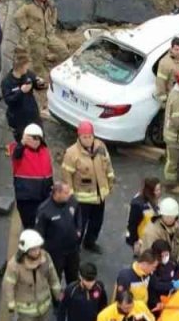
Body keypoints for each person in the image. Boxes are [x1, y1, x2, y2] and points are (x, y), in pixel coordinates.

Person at [3, 229, 61, 321]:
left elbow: (53, 276)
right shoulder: (14, 265)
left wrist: (58, 293)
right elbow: (8, 285)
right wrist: (11, 305)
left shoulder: (45, 258)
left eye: (38, 248)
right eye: (34, 249)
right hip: (27, 310)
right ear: (25, 250)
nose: (38, 251)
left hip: (44, 306)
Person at [59, 121, 114, 252]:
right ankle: (74, 247)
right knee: (79, 225)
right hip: (82, 199)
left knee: (97, 222)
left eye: (90, 136)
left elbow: (108, 166)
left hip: (99, 196)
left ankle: (90, 242)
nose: (88, 140)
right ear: (79, 137)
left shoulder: (100, 147)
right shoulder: (71, 153)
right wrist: (70, 196)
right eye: (85, 137)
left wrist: (110, 182)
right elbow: (67, 176)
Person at [14, 0, 68, 106]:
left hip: (49, 35)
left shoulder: (48, 3)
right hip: (36, 39)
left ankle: (54, 63)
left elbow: (54, 12)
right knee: (38, 63)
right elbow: (17, 16)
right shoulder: (28, 6)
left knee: (63, 50)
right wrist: (26, 28)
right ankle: (41, 83)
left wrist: (53, 23)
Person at [35, 181, 82, 289]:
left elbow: (78, 214)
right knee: (55, 278)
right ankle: (56, 300)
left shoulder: (72, 201)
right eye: (66, 192)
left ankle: (72, 296)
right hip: (56, 254)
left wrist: (79, 230)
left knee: (73, 277)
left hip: (73, 250)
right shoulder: (44, 210)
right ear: (57, 193)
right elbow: (39, 234)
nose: (69, 194)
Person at [8, 123, 53, 228]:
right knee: (30, 227)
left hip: (43, 197)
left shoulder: (44, 151)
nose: (36, 140)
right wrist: (22, 143)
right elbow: (16, 154)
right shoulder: (17, 149)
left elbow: (48, 174)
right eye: (33, 137)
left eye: (38, 138)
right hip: (26, 200)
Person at [2, 47, 44, 141]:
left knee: (40, 138)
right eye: (26, 66)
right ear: (20, 67)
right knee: (24, 143)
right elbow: (8, 100)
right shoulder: (7, 82)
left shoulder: (28, 74)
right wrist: (21, 92)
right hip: (19, 119)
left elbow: (37, 84)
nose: (28, 68)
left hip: (33, 115)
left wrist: (40, 83)